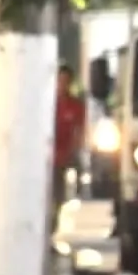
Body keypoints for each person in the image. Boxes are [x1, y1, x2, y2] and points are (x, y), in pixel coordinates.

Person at [53, 66, 83, 215]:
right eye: (60, 80)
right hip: (46, 156)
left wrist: (74, 150)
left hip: (63, 157)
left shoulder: (75, 105)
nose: (62, 84)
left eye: (66, 81)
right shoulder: (47, 104)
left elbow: (78, 131)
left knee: (58, 195)